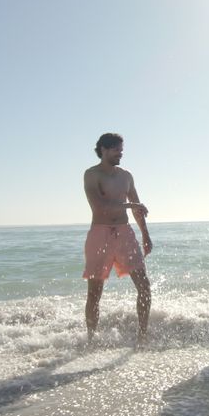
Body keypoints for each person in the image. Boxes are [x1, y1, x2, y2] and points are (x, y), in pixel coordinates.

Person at [82, 133, 153, 344]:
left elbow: (138, 210)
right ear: (103, 150)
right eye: (116, 150)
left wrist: (145, 235)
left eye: (121, 150)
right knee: (95, 293)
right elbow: (99, 207)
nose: (120, 154)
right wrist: (131, 205)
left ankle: (142, 337)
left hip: (125, 233)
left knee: (144, 287)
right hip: (100, 234)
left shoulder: (126, 176)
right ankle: (91, 340)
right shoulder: (91, 175)